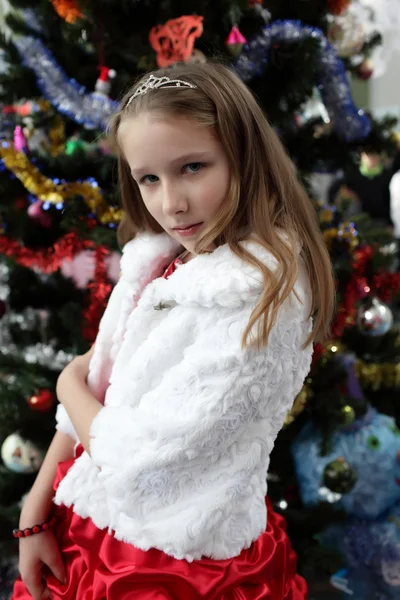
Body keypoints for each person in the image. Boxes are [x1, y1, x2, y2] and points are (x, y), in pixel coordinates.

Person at [12, 61, 335, 600]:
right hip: (91, 528)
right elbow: (97, 384)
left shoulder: (261, 296)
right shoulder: (158, 261)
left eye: (192, 167)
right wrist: (37, 506)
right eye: (149, 179)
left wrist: (67, 380)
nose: (170, 203)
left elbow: (139, 460)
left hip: (176, 569)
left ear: (244, 156)